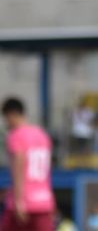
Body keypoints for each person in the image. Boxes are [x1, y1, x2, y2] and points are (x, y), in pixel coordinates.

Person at [1, 97, 56, 231]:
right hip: (44, 201)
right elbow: (47, 170)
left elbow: (19, 166)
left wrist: (19, 201)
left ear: (12, 114)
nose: (6, 122)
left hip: (24, 202)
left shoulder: (16, 135)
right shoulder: (42, 135)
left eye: (6, 118)